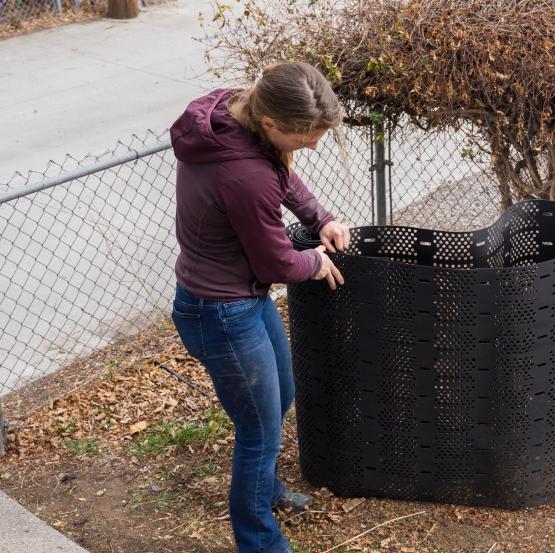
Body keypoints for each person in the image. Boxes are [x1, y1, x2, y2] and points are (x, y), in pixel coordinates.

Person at [169, 61, 350, 553]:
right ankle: (261, 544)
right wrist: (314, 261)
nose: (313, 145)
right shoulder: (243, 174)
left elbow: (280, 173)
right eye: (305, 137)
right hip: (221, 312)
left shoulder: (237, 110)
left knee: (281, 395)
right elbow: (275, 262)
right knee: (259, 433)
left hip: (239, 299)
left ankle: (265, 490)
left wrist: (320, 217)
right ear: (270, 124)